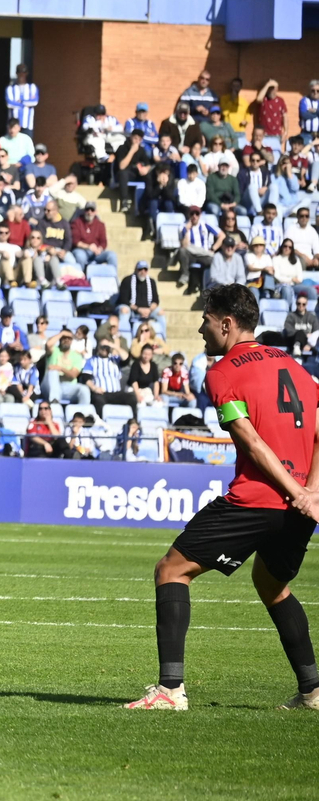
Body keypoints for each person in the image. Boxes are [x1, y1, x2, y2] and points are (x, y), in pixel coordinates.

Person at [127, 284, 319, 711]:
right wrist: (311, 493)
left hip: (257, 499)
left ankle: (170, 691)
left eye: (207, 320)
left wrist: (296, 491)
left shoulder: (222, 372)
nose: (200, 328)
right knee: (272, 584)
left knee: (171, 570)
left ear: (227, 324)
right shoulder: (296, 365)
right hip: (300, 506)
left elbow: (249, 442)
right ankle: (313, 691)